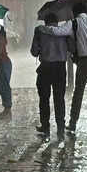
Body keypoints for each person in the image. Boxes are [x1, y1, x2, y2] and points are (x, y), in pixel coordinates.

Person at [38, 3, 87, 135]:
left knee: (78, 93)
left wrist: (42, 28)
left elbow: (57, 31)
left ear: (74, 13)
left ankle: (73, 123)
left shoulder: (73, 23)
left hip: (85, 61)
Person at [30, 13, 68, 141]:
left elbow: (34, 52)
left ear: (45, 22)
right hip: (60, 68)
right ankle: (61, 129)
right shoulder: (64, 31)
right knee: (59, 99)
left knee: (44, 99)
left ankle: (45, 128)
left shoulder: (39, 31)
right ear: (57, 22)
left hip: (45, 68)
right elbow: (72, 48)